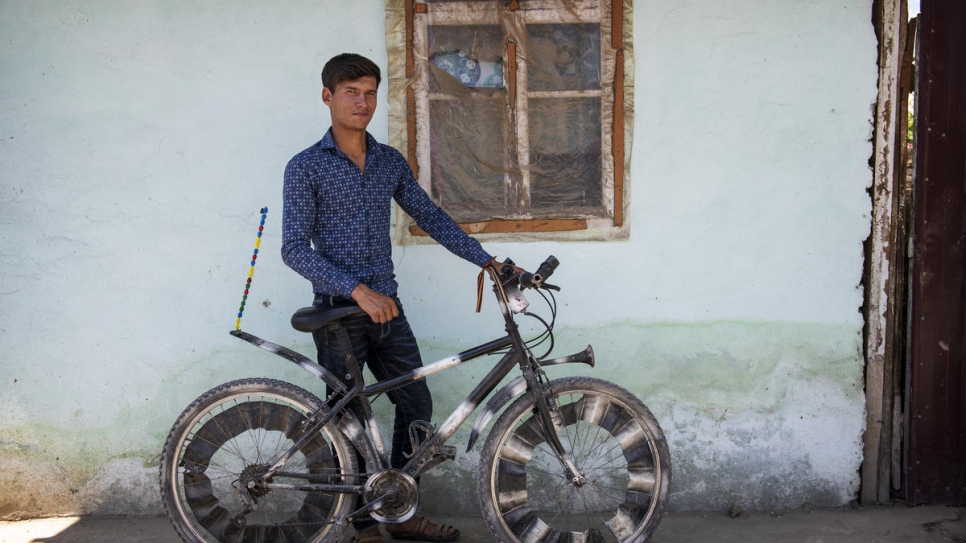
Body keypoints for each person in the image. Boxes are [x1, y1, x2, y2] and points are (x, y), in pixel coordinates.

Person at [282, 53, 497, 543]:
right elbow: (293, 248)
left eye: (369, 92)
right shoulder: (306, 166)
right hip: (338, 316)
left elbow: (433, 218)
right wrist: (358, 291)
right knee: (352, 424)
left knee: (416, 404)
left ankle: (397, 514)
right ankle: (364, 529)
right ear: (327, 97)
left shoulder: (387, 161)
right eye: (351, 92)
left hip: (389, 311)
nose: (362, 102)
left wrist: (487, 262)